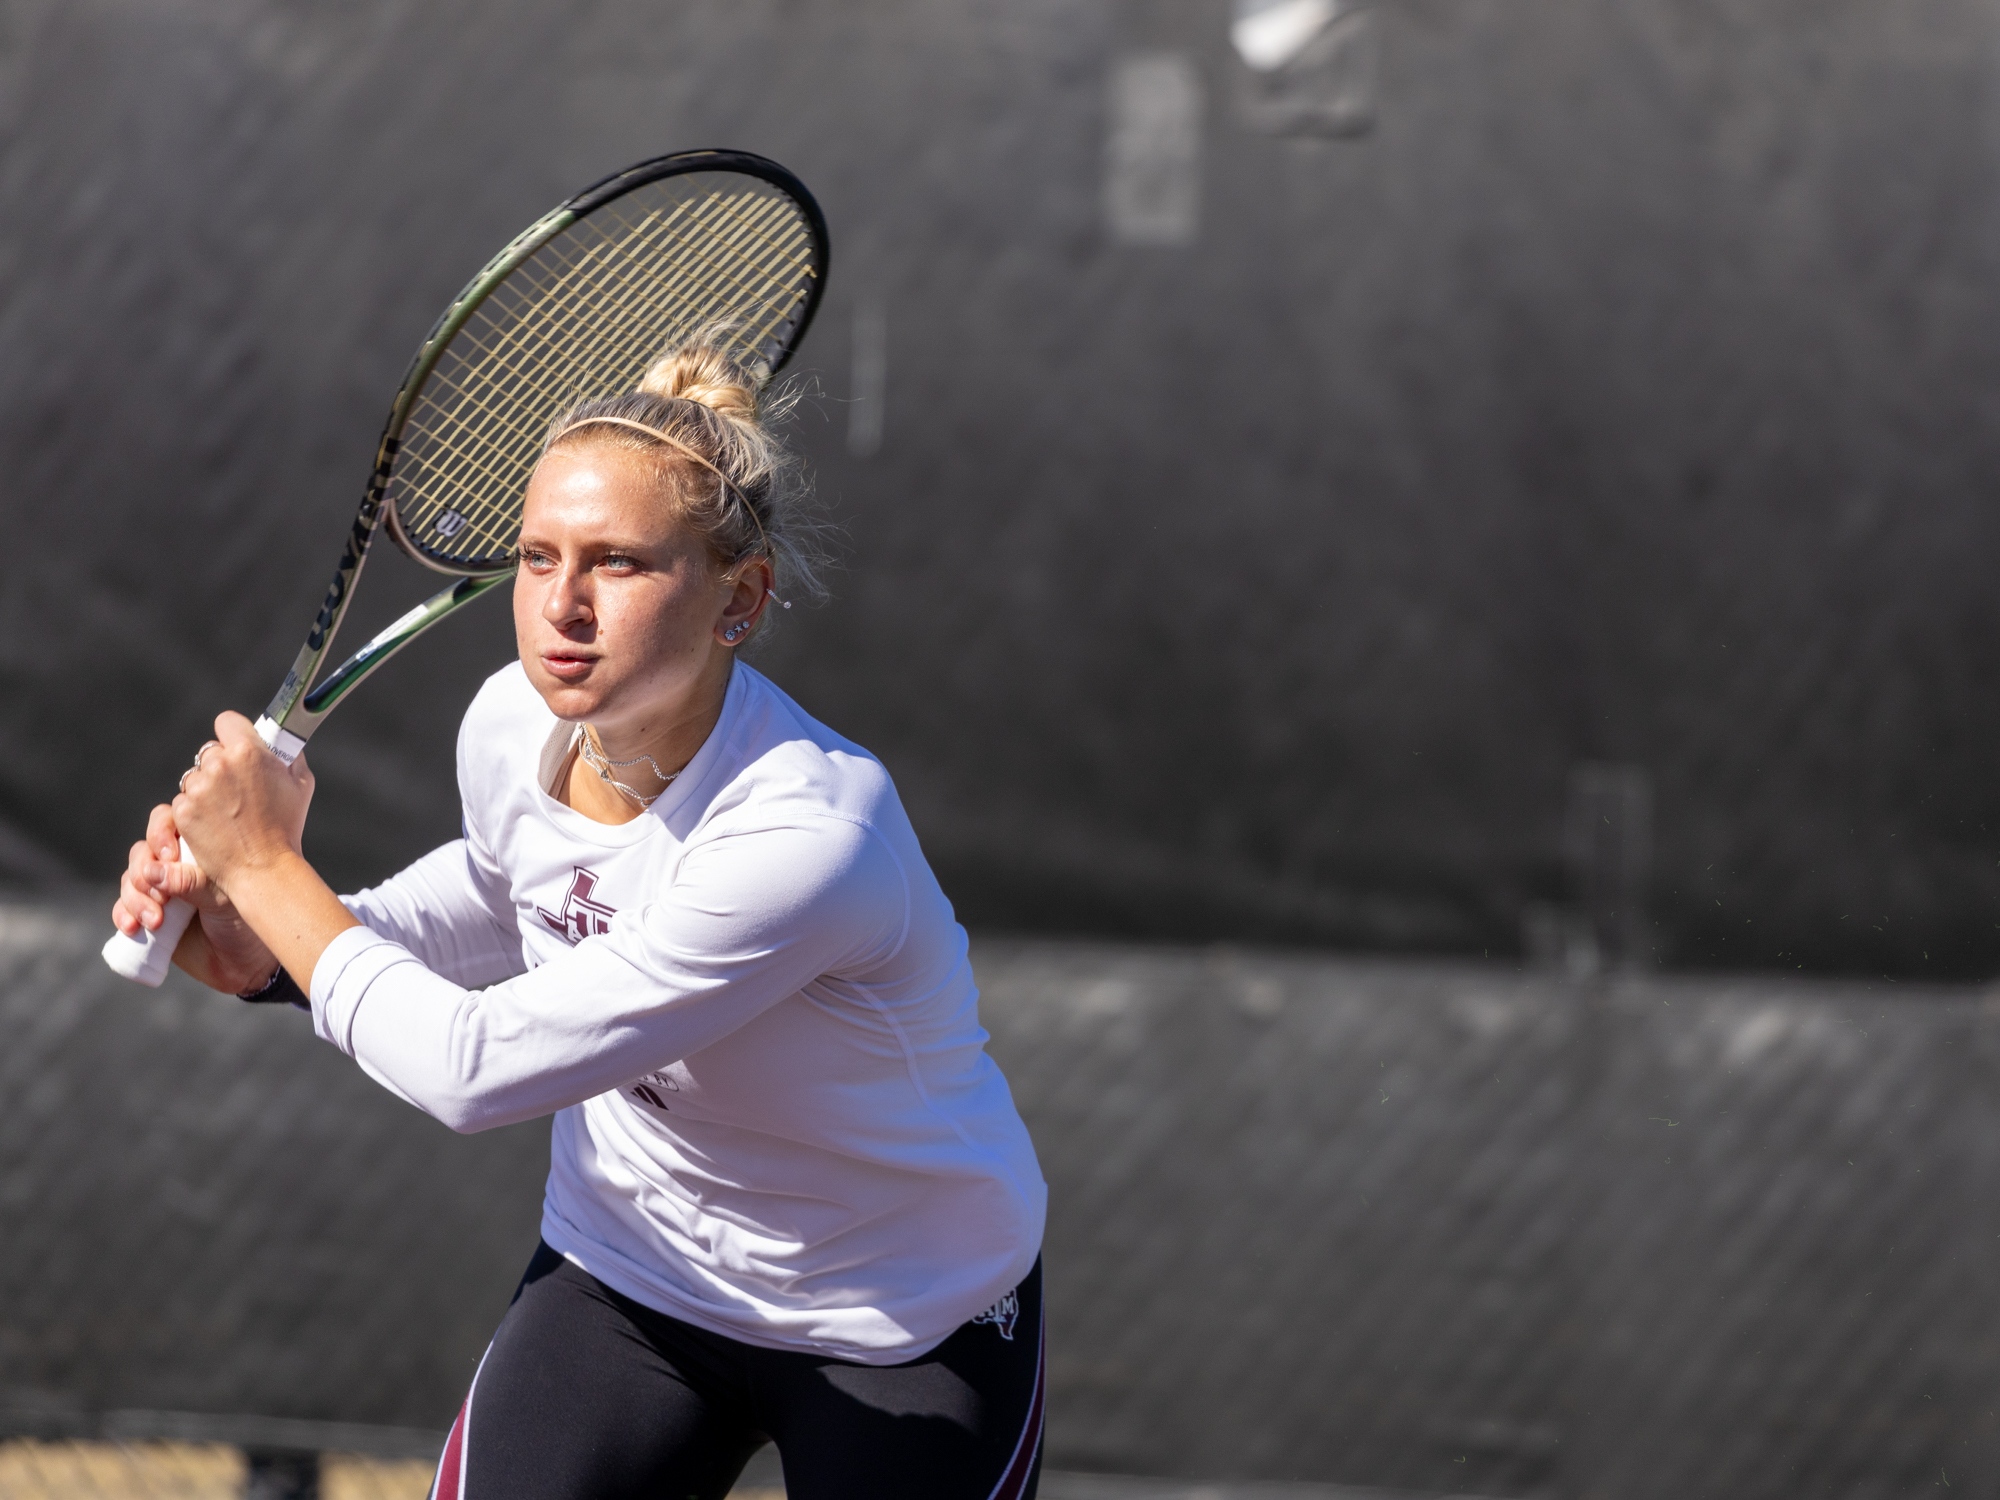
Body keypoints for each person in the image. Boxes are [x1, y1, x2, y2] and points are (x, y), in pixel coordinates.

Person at [112, 341, 1049, 1500]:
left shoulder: (809, 834)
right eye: (537, 555)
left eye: (616, 564)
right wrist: (270, 944)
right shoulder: (509, 722)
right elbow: (512, 894)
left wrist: (265, 869)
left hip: (903, 1311)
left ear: (738, 599)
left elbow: (473, 1071)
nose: (561, 605)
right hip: (632, 1274)